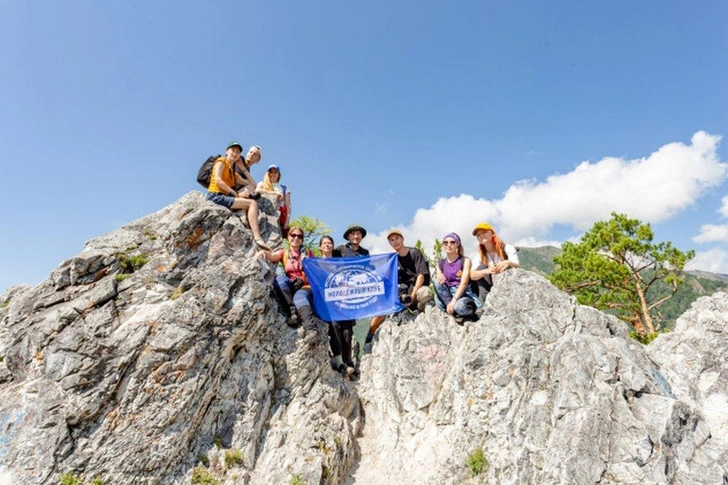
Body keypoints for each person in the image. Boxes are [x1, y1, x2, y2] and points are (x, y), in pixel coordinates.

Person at [366, 228, 433, 344]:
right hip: (402, 291)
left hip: (417, 289)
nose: (395, 242)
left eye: (397, 238)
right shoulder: (392, 259)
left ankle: (422, 313)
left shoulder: (414, 253)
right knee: (382, 307)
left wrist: (412, 295)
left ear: (402, 239)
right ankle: (370, 334)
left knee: (425, 293)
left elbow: (421, 275)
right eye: (391, 240)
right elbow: (387, 278)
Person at [206, 142, 269, 250]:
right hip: (215, 196)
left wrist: (242, 168)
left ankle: (255, 234)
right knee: (252, 203)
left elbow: (253, 185)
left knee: (252, 201)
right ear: (227, 151)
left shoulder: (233, 172)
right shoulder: (221, 161)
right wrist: (236, 194)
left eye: (238, 152)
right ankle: (258, 238)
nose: (235, 154)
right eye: (233, 150)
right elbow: (218, 181)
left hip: (225, 197)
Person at [257, 226, 316, 328]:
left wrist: (308, 263)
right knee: (279, 280)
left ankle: (307, 323)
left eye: (299, 236)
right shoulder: (284, 253)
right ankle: (292, 311)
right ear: (288, 237)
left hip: (306, 286)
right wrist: (263, 253)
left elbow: (316, 270)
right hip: (291, 284)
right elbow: (272, 256)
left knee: (300, 295)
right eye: (293, 235)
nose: (296, 238)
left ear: (302, 240)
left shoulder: (308, 253)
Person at [319, 235, 356, 379]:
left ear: (333, 246)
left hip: (342, 303)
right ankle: (340, 363)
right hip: (326, 305)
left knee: (347, 332)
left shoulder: (339, 263)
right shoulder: (316, 263)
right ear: (320, 246)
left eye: (329, 243)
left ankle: (349, 362)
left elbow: (347, 280)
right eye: (324, 243)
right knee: (334, 328)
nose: (327, 245)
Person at [433, 232, 482, 324]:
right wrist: (439, 274)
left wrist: (454, 301)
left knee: (459, 307)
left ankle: (469, 313)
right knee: (436, 283)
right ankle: (453, 311)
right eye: (446, 243)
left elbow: (464, 283)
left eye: (452, 242)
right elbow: (438, 279)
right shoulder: (440, 263)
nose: (449, 245)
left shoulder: (465, 260)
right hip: (448, 295)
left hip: (463, 294)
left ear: (457, 245)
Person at [469, 223, 520, 301]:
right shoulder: (480, 255)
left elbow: (516, 264)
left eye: (484, 232)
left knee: (508, 266)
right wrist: (486, 271)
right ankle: (487, 301)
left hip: (508, 285)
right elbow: (472, 275)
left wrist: (508, 262)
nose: (481, 235)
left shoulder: (506, 248)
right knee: (481, 268)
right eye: (478, 235)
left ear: (492, 233)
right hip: (490, 287)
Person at [256, 164, 292, 236]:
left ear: (279, 174)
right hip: (264, 212)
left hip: (279, 213)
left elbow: (288, 205)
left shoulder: (284, 188)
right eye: (271, 172)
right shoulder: (262, 184)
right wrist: (274, 193)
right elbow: (257, 190)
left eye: (275, 172)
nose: (273, 174)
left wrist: (287, 220)